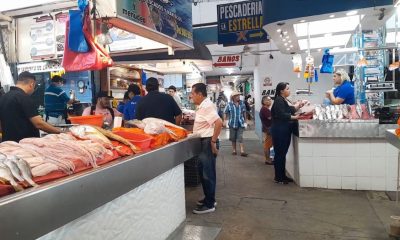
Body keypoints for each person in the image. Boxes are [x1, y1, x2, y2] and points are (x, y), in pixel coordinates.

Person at [0, 71, 61, 142]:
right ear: (32, 84)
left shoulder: (3, 98)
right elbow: (39, 123)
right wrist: (60, 132)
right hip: (26, 145)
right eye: (34, 87)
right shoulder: (24, 98)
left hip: (8, 145)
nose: (33, 90)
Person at [190, 83, 222, 214]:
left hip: (208, 142)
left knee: (207, 174)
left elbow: (219, 123)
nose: (191, 96)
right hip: (204, 141)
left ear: (200, 94)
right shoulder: (203, 105)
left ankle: (209, 205)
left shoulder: (206, 106)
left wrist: (213, 141)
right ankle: (209, 198)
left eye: (192, 94)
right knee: (205, 172)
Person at [271, 82, 304, 184]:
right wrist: (295, 117)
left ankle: (281, 176)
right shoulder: (279, 101)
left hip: (282, 130)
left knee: (281, 154)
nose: (289, 91)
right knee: (280, 154)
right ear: (282, 91)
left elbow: (289, 109)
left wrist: (298, 106)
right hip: (280, 131)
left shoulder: (282, 100)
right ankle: (279, 177)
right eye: (287, 89)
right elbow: (282, 114)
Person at [224, 91, 248, 157]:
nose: (238, 97)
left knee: (240, 137)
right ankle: (234, 150)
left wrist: (245, 121)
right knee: (233, 138)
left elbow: (244, 112)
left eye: (239, 96)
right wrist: (224, 121)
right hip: (232, 123)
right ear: (233, 97)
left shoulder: (242, 103)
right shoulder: (229, 104)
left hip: (240, 123)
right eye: (237, 96)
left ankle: (242, 151)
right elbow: (225, 112)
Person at [259, 96, 273, 165]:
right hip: (268, 129)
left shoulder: (266, 109)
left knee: (268, 144)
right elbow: (271, 118)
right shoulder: (265, 109)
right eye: (267, 100)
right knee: (267, 145)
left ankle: (268, 159)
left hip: (268, 128)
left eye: (270, 100)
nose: (269, 101)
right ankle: (267, 160)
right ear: (263, 102)